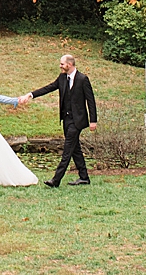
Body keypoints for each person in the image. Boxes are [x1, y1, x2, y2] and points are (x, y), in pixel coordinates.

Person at [28, 53, 97, 187]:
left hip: (77, 120)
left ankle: (56, 180)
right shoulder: (62, 78)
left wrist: (93, 120)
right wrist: (31, 94)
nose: (60, 66)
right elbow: (48, 88)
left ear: (69, 65)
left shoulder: (83, 79)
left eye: (62, 64)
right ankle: (84, 177)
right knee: (75, 148)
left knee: (67, 150)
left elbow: (91, 101)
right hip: (66, 119)